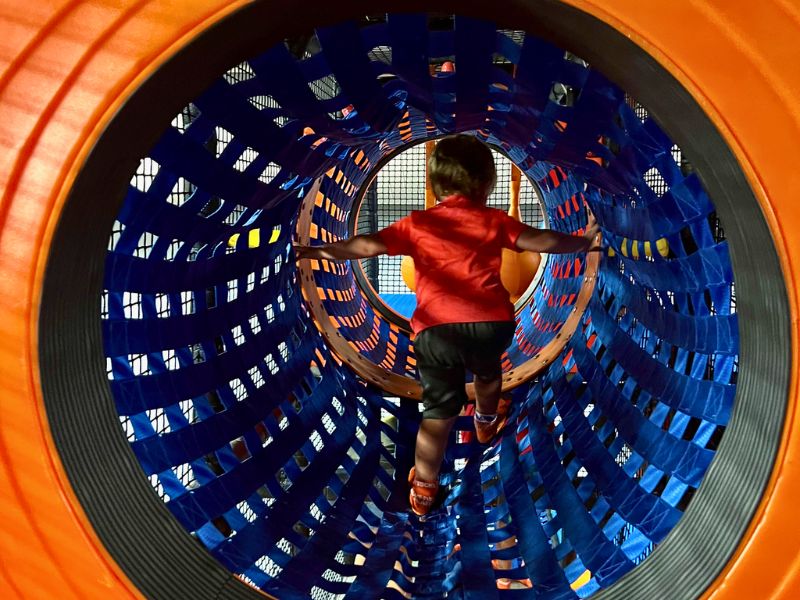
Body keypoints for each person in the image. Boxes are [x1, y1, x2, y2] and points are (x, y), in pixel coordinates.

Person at [295, 134, 600, 516]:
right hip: (491, 324)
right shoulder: (493, 220)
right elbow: (540, 240)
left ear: (435, 186)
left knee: (437, 414)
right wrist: (582, 243)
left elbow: (366, 246)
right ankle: (486, 419)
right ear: (488, 185)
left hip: (435, 332)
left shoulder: (417, 223)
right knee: (489, 376)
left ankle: (424, 486)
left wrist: (320, 250)